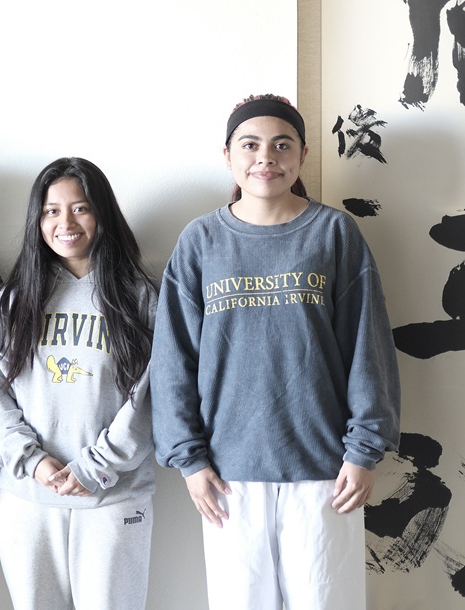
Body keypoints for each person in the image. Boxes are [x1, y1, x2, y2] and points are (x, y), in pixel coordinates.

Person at [151, 94, 402, 610]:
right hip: (227, 477)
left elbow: (367, 346)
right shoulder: (200, 242)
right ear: (228, 156)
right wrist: (189, 459)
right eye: (251, 144)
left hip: (326, 472)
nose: (266, 157)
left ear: (303, 156)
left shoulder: (335, 233)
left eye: (281, 144)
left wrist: (364, 450)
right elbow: (173, 358)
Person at [0, 157, 157, 610]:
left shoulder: (140, 298)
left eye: (80, 208)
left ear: (102, 214)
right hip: (28, 499)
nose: (65, 222)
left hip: (113, 497)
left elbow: (151, 397)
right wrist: (33, 462)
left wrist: (95, 466)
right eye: (51, 211)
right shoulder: (14, 301)